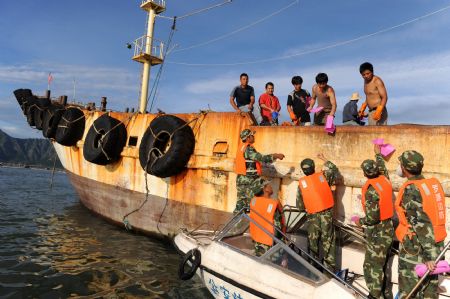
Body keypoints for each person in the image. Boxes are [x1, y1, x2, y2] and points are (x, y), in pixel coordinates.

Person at [395, 150, 446, 298]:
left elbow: (422, 225)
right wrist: (434, 254)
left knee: (410, 291)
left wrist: (429, 256)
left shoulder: (411, 190)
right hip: (437, 246)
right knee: (430, 290)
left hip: (415, 250)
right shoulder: (432, 184)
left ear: (404, 168)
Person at [354, 144, 394, 299]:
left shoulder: (371, 189)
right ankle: (386, 295)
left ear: (364, 173)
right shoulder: (384, 179)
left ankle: (375, 295)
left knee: (372, 265)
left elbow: (372, 218)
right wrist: (378, 155)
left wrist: (360, 221)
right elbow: (383, 168)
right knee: (383, 264)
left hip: (377, 231)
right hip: (388, 227)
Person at [296, 153, 339, 271]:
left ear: (303, 171)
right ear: (314, 167)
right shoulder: (324, 176)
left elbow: (300, 206)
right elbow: (334, 169)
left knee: (313, 244)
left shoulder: (301, 184)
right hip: (326, 216)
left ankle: (313, 270)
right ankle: (329, 272)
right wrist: (324, 159)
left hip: (312, 218)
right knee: (328, 243)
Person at [234, 129, 285, 212]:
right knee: (252, 203)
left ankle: (236, 221)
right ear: (247, 138)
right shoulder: (248, 149)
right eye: (252, 135)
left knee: (241, 203)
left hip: (242, 179)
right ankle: (247, 222)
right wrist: (276, 156)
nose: (253, 137)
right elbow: (261, 158)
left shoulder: (241, 147)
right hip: (248, 180)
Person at [249, 178, 286, 256]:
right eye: (269, 185)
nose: (271, 187)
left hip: (257, 241)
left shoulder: (253, 201)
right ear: (265, 189)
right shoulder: (274, 203)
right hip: (270, 244)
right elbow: (279, 228)